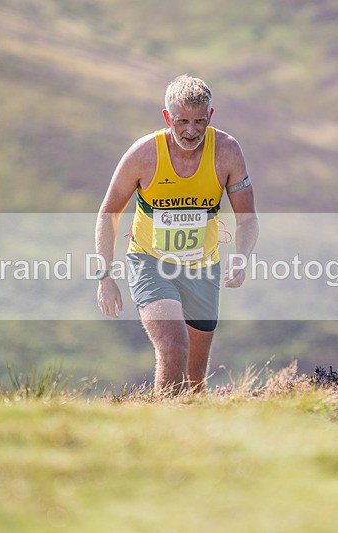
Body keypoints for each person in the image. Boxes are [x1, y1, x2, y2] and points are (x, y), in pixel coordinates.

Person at [95, 74, 259, 394]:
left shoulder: (226, 151)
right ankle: (161, 422)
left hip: (203, 268)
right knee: (173, 347)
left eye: (199, 121)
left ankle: (187, 423)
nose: (191, 131)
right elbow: (108, 213)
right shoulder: (144, 154)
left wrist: (241, 257)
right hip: (150, 263)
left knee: (194, 380)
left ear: (210, 115)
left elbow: (248, 219)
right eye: (182, 121)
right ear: (167, 117)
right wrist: (105, 276)